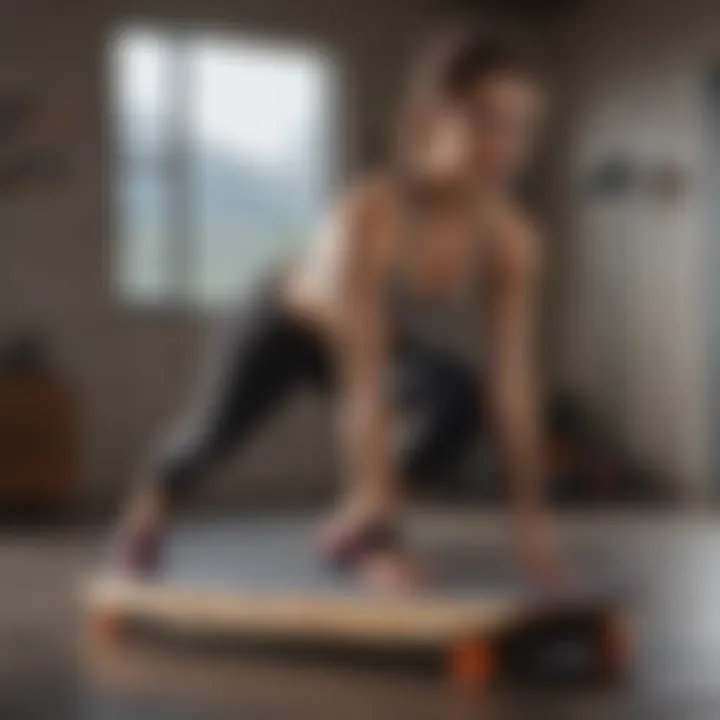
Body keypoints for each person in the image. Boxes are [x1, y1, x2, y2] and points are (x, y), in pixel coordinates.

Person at [114, 28, 562, 591]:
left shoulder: (511, 239)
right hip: (281, 322)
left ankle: (351, 525)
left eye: (518, 128)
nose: (502, 146)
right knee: (203, 443)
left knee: (460, 397)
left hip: (371, 334)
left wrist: (531, 526)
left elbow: (512, 386)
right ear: (428, 120)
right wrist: (385, 543)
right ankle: (147, 512)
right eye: (482, 122)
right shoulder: (370, 212)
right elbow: (365, 386)